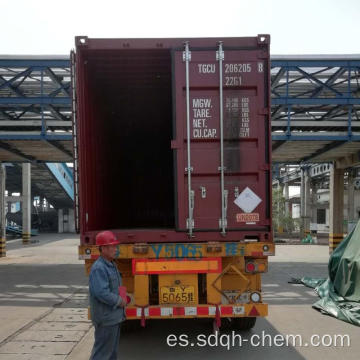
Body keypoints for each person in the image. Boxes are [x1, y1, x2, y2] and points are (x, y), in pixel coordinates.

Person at [89, 230, 126, 360]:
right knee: (102, 354)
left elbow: (116, 286)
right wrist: (119, 301)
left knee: (111, 353)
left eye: (116, 246)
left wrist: (124, 297)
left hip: (114, 317)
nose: (116, 249)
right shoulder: (99, 268)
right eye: (113, 246)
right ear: (103, 248)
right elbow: (101, 293)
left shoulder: (111, 264)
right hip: (106, 319)